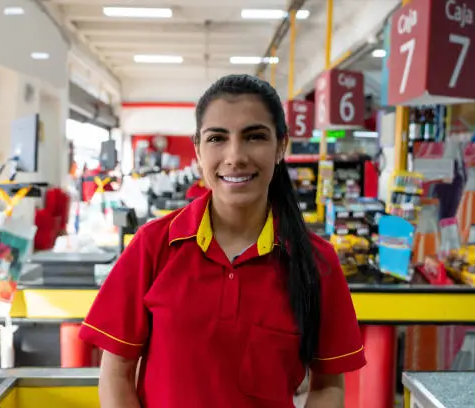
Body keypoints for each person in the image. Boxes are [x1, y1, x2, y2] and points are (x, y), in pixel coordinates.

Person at [79, 74, 365, 407]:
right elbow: (115, 373)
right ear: (198, 149)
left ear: (281, 146)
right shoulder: (154, 245)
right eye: (217, 138)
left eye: (254, 136)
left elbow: (328, 386)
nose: (235, 155)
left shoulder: (316, 262)